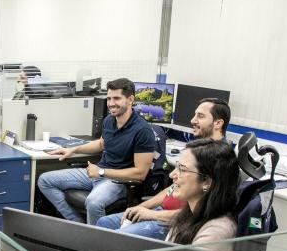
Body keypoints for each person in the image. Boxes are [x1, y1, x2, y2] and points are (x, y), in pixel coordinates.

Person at [96, 98, 232, 238]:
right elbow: (172, 187)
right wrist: (142, 207)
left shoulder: (220, 160)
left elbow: (200, 213)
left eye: (200, 116)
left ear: (218, 123)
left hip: (175, 222)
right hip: (160, 210)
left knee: (119, 237)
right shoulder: (198, 149)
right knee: (104, 222)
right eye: (195, 115)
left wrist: (152, 214)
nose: (193, 120)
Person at [37, 78, 156, 225]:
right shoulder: (109, 120)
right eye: (109, 98)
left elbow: (140, 173)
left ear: (130, 99)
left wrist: (101, 172)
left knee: (93, 202)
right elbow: (101, 144)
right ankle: (80, 224)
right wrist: (72, 149)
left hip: (118, 181)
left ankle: (93, 238)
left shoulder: (142, 131)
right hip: (97, 173)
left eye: (116, 98)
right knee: (45, 180)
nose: (111, 103)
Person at [164, 138, 238, 251]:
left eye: (182, 169)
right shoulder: (190, 214)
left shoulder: (216, 232)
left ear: (207, 182)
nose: (172, 175)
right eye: (177, 167)